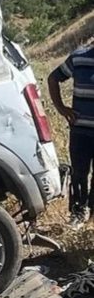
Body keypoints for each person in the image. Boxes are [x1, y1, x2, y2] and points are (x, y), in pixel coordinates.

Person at [48, 43, 94, 228]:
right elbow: (53, 78)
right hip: (81, 131)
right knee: (79, 173)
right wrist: (61, 108)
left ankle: (92, 217)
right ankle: (78, 212)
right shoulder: (79, 57)